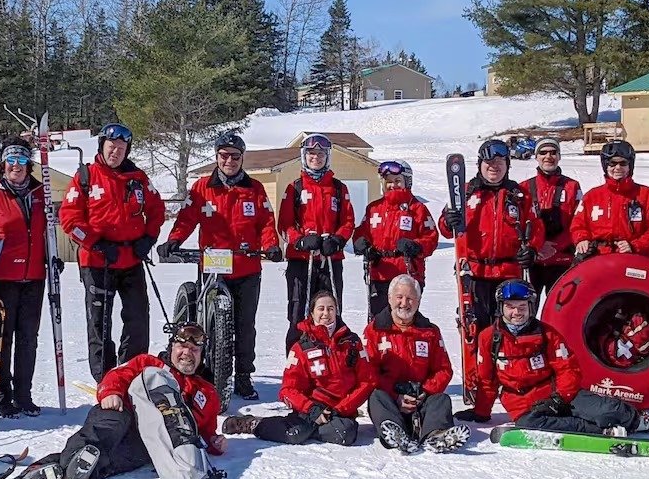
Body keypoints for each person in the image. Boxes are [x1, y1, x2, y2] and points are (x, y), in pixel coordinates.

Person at [9, 323, 226, 479]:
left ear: (201, 355)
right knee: (100, 436)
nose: (187, 353)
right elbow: (117, 375)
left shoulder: (206, 392)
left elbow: (204, 430)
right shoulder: (149, 363)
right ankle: (63, 468)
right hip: (122, 415)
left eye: (194, 350)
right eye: (182, 346)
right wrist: (111, 392)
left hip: (149, 443)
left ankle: (56, 473)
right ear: (171, 348)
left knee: (104, 461)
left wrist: (214, 441)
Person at [455, 279, 649, 436]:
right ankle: (601, 432)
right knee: (531, 423)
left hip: (558, 394)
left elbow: (568, 369)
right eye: (510, 307)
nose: (516, 313)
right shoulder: (488, 338)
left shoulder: (548, 334)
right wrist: (481, 413)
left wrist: (559, 398)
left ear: (531, 308)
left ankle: (640, 422)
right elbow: (487, 380)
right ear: (501, 308)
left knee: (605, 409)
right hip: (522, 404)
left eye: (522, 307)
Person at [157, 133, 282, 400]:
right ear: (216, 157)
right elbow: (187, 218)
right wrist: (174, 240)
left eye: (235, 156)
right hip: (213, 266)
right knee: (208, 321)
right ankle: (203, 367)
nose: (229, 161)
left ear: (242, 159)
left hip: (246, 267)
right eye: (224, 155)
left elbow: (266, 223)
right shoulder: (202, 188)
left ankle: (244, 376)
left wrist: (270, 245)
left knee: (245, 325)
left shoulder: (255, 189)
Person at [59, 122, 165, 382]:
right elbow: (70, 220)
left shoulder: (139, 179)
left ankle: (131, 371)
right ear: (101, 147)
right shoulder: (85, 177)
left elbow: (157, 211)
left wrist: (149, 238)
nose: (115, 152)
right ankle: (105, 377)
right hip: (98, 262)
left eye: (120, 147)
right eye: (111, 146)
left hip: (131, 261)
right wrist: (97, 244)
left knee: (138, 319)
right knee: (99, 324)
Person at [438, 139, 544, 390]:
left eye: (499, 162)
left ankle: (509, 378)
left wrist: (531, 250)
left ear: (507, 165)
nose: (493, 167)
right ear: (480, 165)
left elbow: (536, 228)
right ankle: (479, 380)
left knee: (510, 327)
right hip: (475, 272)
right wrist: (449, 219)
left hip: (509, 272)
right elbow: (445, 229)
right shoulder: (466, 192)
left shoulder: (518, 196)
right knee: (478, 329)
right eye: (488, 162)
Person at [221, 291, 372, 447]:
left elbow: (367, 381)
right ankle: (254, 424)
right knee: (294, 434)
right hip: (310, 409)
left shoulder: (352, 343)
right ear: (312, 313)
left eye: (331, 308)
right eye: (321, 309)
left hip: (340, 411)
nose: (326, 313)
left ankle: (308, 430)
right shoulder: (301, 348)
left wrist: (342, 409)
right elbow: (287, 389)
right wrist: (311, 409)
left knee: (345, 433)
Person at [0, 137, 56, 418]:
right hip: (2, 279)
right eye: (11, 160)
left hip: (33, 278)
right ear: (3, 163)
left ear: (29, 164)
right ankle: (2, 395)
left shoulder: (40, 193)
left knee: (28, 340)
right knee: (3, 340)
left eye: (22, 160)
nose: (16, 166)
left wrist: (52, 258)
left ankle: (24, 394)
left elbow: (49, 231)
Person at [365, 274, 468, 453]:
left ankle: (435, 435)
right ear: (390, 299)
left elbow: (444, 370)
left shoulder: (430, 332)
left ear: (418, 301)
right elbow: (368, 371)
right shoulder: (374, 330)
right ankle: (396, 434)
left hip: (421, 397)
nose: (404, 303)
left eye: (410, 298)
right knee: (376, 397)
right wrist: (396, 395)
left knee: (442, 399)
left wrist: (425, 391)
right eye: (399, 297)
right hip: (392, 399)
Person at [276, 133, 356, 350]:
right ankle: (296, 366)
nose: (316, 157)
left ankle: (331, 363)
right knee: (298, 313)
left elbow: (348, 221)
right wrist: (300, 241)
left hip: (330, 259)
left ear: (327, 156)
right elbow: (284, 224)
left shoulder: (339, 189)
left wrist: (338, 239)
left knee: (329, 313)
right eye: (311, 153)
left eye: (321, 154)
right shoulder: (295, 188)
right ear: (304, 156)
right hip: (302, 261)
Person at [352, 160, 438, 322]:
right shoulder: (374, 208)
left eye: (397, 181)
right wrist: (362, 245)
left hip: (407, 274)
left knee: (405, 321)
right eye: (389, 182)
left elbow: (431, 238)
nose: (393, 185)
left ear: (407, 182)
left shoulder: (417, 209)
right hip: (379, 274)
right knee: (379, 322)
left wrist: (415, 246)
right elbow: (360, 233)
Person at [570, 140, 649, 261]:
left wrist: (634, 246)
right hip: (598, 260)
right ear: (605, 166)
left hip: (636, 259)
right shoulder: (592, 196)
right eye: (612, 163)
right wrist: (582, 239)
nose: (618, 167)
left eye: (623, 163)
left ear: (630, 165)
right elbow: (578, 225)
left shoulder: (646, 195)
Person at [520, 138, 582, 306]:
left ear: (559, 156)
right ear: (536, 157)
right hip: (532, 262)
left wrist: (556, 246)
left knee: (560, 311)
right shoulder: (524, 188)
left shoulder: (572, 187)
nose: (548, 156)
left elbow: (579, 223)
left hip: (562, 261)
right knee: (527, 310)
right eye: (543, 152)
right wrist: (537, 247)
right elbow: (519, 225)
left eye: (553, 152)